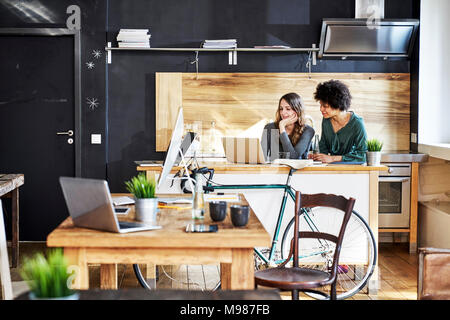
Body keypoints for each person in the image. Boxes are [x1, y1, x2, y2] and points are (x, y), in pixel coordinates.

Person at [311, 80, 368, 163]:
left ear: (337, 104)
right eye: (320, 105)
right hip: (332, 169)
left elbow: (363, 155)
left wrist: (333, 158)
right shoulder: (326, 119)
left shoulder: (357, 123)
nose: (321, 109)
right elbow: (323, 145)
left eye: (325, 106)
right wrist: (317, 156)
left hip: (352, 171)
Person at [261, 92, 315, 160]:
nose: (283, 112)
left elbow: (293, 157)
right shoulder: (269, 128)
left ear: (297, 110)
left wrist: (282, 127)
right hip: (275, 170)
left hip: (299, 170)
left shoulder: (308, 131)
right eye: (281, 109)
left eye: (288, 109)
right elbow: (262, 157)